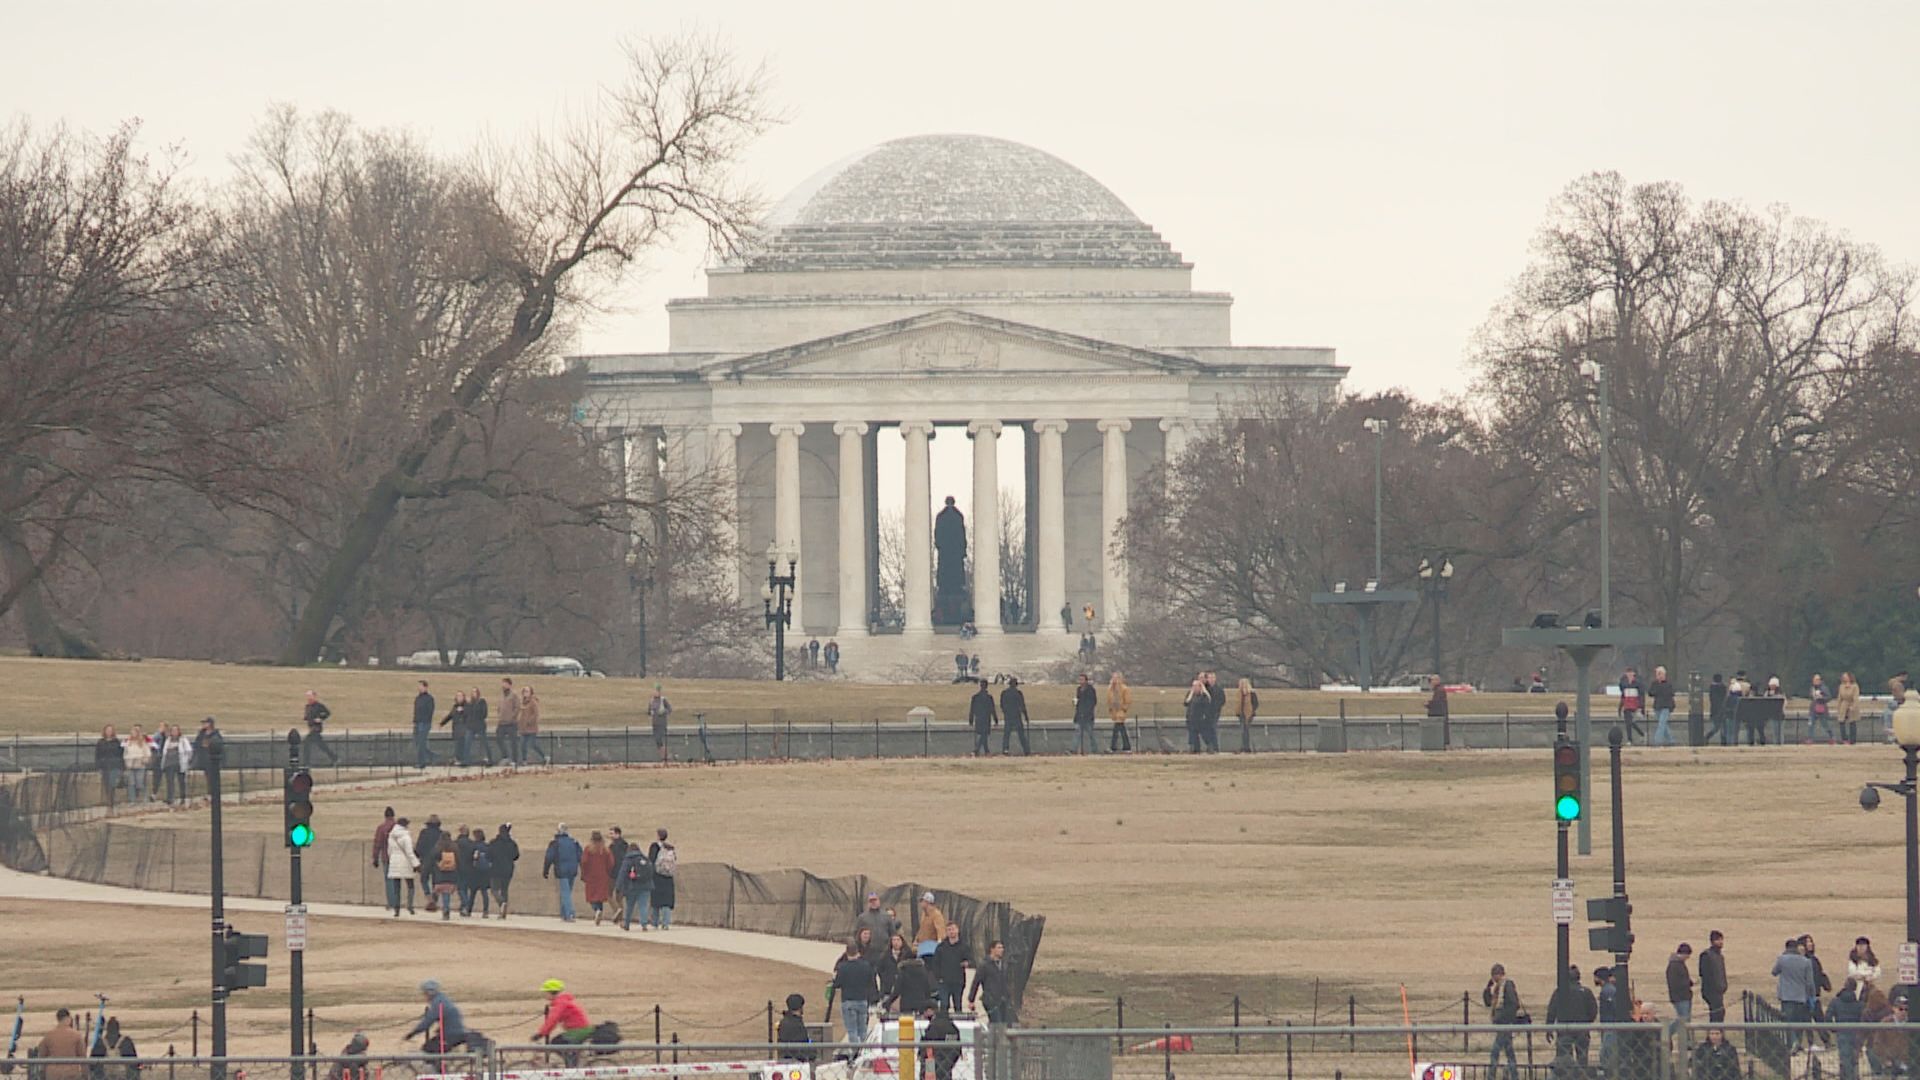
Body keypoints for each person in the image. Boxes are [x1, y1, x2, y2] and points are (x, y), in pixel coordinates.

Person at [1544, 965, 1595, 1065]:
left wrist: (1549, 1028)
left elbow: (1552, 1011)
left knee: (1565, 1060)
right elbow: (1593, 1010)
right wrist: (1587, 1022)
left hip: (1564, 1029)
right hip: (1582, 1029)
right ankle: (1581, 1076)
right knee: (1582, 1058)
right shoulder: (1586, 992)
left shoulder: (1559, 992)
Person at [830, 941, 878, 1043]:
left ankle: (855, 1051)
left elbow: (837, 984)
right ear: (858, 952)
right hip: (862, 1000)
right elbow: (871, 981)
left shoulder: (842, 967)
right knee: (863, 1029)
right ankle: (863, 1050)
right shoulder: (866, 965)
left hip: (848, 1001)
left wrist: (834, 979)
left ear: (847, 953)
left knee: (852, 1030)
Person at [406, 980, 471, 1055]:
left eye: (425, 993)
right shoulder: (443, 999)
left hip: (451, 1035)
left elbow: (427, 1022)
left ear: (429, 992)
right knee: (433, 1047)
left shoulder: (438, 1003)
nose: (424, 996)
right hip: (456, 1032)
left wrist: (412, 1033)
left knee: (428, 1048)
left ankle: (437, 1066)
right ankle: (438, 1064)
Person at [1773, 937, 1816, 1050]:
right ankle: (1798, 1043)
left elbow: (1774, 972)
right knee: (1799, 1022)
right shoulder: (1805, 961)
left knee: (1788, 1021)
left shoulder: (1782, 959)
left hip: (1786, 996)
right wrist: (1812, 996)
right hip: (1801, 997)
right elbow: (1810, 982)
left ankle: (1793, 1042)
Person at [1483, 963, 1521, 1080]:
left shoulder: (1507, 985)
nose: (1493, 978)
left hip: (1505, 1024)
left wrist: (1504, 1017)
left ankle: (1491, 1075)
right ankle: (1514, 1075)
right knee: (1509, 1052)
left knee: (1495, 1051)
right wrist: (1487, 989)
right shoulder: (1497, 988)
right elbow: (1488, 1003)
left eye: (1494, 975)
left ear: (1499, 974)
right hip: (1501, 1024)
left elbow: (1514, 1004)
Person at [969, 939, 1016, 1027]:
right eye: (999, 947)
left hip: (1002, 999)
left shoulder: (1003, 965)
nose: (1001, 950)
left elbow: (1005, 982)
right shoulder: (985, 965)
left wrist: (1008, 995)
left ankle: (991, 1038)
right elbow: (976, 982)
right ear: (992, 949)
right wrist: (971, 999)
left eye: (1002, 948)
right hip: (990, 999)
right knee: (996, 1023)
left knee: (1003, 1023)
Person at [535, 979, 594, 1047]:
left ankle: (572, 1057)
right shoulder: (563, 1001)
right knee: (563, 1044)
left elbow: (552, 1020)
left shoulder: (561, 1003)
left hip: (578, 1031)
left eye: (545, 992)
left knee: (557, 1043)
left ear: (552, 992)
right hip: (581, 1030)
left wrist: (540, 1034)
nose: (544, 995)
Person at [544, 824, 583, 921]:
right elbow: (580, 856)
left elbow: (549, 857)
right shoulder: (574, 842)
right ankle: (564, 913)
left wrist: (546, 870)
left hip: (561, 870)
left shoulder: (555, 843)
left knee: (565, 893)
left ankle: (570, 913)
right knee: (567, 891)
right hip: (573, 869)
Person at [35, 1009, 87, 1080]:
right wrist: (85, 1075)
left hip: (53, 1074)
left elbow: (42, 1055)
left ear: (58, 1019)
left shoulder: (49, 1035)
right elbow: (83, 1057)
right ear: (68, 1018)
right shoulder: (77, 1035)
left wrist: (42, 1074)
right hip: (71, 1073)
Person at [614, 840, 654, 931]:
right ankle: (644, 924)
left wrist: (618, 887)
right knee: (643, 905)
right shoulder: (645, 858)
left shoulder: (628, 859)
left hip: (632, 886)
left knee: (630, 906)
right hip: (646, 886)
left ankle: (627, 924)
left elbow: (622, 873)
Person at [1831, 977, 1865, 1080]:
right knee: (1854, 1060)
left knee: (1844, 1059)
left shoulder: (1836, 1001)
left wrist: (1834, 1028)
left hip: (1842, 1032)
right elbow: (1864, 1019)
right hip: (1855, 1033)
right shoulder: (1860, 1005)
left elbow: (1827, 1017)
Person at [385, 815, 419, 916]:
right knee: (410, 885)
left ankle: (397, 908)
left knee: (396, 887)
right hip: (405, 862)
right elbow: (409, 852)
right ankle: (410, 905)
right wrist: (416, 864)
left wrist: (392, 860)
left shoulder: (391, 836)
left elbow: (389, 851)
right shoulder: (406, 836)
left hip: (394, 861)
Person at [931, 923, 969, 1012]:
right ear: (946, 932)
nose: (951, 932)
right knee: (944, 1005)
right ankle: (943, 1023)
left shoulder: (964, 946)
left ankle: (958, 1023)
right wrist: (938, 977)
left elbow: (970, 959)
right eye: (949, 930)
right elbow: (935, 963)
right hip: (944, 982)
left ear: (957, 930)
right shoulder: (941, 947)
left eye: (953, 929)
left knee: (958, 1005)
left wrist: (967, 963)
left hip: (958, 981)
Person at [581, 830, 614, 925]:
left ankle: (597, 910)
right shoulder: (606, 850)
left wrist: (584, 873)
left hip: (591, 876)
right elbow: (611, 863)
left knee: (591, 896)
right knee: (600, 896)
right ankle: (599, 911)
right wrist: (607, 871)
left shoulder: (588, 849)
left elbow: (584, 862)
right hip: (603, 875)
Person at [647, 828, 676, 929]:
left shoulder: (654, 847)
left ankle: (655, 922)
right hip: (668, 877)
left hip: (657, 876)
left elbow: (650, 860)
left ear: (658, 836)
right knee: (666, 902)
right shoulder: (670, 848)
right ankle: (666, 923)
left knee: (656, 901)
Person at [488, 823, 518, 918]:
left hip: (496, 869)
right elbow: (516, 856)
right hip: (508, 869)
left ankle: (501, 903)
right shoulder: (512, 843)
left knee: (494, 890)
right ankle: (503, 912)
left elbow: (489, 856)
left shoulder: (494, 843)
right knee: (505, 890)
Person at [923, 1005, 961, 1080]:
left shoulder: (933, 1026)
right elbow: (957, 1049)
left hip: (933, 1061)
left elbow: (928, 1049)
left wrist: (929, 1070)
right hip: (949, 1062)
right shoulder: (953, 1028)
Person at [416, 815, 445, 912]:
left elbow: (419, 848)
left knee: (424, 879)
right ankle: (434, 898)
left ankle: (429, 897)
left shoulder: (424, 833)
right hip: (438, 860)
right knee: (436, 882)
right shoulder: (441, 834)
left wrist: (417, 857)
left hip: (426, 860)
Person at [462, 828, 493, 918]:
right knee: (484, 892)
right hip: (485, 871)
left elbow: (470, 858)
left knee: (472, 893)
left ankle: (469, 910)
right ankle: (485, 911)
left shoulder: (473, 846)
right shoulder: (487, 846)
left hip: (475, 871)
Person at [303, 690, 339, 766]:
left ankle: (306, 763)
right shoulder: (307, 706)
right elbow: (307, 716)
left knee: (306, 744)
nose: (308, 698)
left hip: (316, 729)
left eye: (310, 696)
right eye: (307, 696)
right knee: (322, 746)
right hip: (311, 728)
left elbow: (327, 713)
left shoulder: (319, 706)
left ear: (314, 696)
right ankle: (334, 758)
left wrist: (320, 718)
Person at [1699, 930, 1729, 1022]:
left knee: (1720, 1014)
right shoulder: (1706, 955)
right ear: (1712, 941)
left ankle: (1717, 1033)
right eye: (1718, 940)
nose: (1720, 942)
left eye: (1721, 939)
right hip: (1711, 991)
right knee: (1716, 1014)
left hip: (1719, 991)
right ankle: (1714, 1034)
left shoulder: (1719, 956)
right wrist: (1714, 987)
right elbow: (1704, 974)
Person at [774, 994, 812, 1063]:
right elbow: (804, 1044)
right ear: (800, 1008)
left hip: (784, 1059)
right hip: (797, 1062)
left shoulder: (783, 1022)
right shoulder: (797, 1024)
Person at [430, 835, 459, 921]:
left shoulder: (437, 848)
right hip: (451, 874)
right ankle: (446, 910)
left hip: (440, 874)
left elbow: (432, 859)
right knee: (446, 894)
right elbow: (458, 861)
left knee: (438, 890)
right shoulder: (455, 848)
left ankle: (434, 899)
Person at [94, 725, 122, 810]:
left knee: (112, 783)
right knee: (107, 784)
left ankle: (111, 801)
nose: (109, 732)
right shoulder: (100, 742)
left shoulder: (116, 742)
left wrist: (121, 767)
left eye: (110, 730)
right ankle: (108, 800)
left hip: (114, 765)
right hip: (105, 766)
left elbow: (120, 754)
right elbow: (97, 755)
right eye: (107, 730)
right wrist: (98, 766)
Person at [161, 723, 191, 805]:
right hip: (169, 763)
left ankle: (183, 797)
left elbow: (189, 751)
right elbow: (164, 752)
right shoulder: (168, 740)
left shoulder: (183, 740)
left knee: (181, 781)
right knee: (170, 781)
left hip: (179, 763)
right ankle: (170, 798)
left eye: (175, 730)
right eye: (172, 730)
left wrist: (187, 760)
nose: (174, 732)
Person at [999, 678, 1030, 756]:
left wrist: (1005, 712)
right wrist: (1026, 716)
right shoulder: (1018, 693)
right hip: (1016, 716)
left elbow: (1002, 705)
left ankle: (1005, 749)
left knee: (1007, 734)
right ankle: (1026, 750)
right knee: (1021, 734)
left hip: (1008, 716)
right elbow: (1022, 705)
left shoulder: (1004, 693)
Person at [967, 680, 998, 756]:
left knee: (983, 734)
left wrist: (971, 719)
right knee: (984, 734)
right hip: (985, 718)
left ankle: (985, 750)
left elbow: (972, 709)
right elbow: (992, 709)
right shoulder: (988, 698)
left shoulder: (975, 697)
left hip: (979, 718)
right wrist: (995, 719)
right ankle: (978, 750)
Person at [121, 726, 150, 805]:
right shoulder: (128, 743)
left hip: (140, 765)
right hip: (130, 765)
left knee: (140, 783)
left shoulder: (142, 743)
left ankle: (144, 797)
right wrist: (127, 762)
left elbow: (147, 753)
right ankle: (132, 800)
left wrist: (143, 760)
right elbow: (125, 754)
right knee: (131, 783)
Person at [518, 686, 547, 765]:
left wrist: (529, 721)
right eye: (524, 691)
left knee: (533, 744)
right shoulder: (523, 702)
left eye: (527, 691)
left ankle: (544, 757)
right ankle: (524, 760)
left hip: (531, 728)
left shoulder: (533, 702)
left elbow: (535, 714)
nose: (525, 693)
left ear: (531, 693)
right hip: (523, 728)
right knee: (522, 745)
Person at [913, 892, 948, 957]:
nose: (920, 903)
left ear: (927, 902)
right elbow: (921, 929)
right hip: (922, 947)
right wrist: (916, 940)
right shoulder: (924, 914)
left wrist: (939, 945)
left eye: (922, 901)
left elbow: (941, 931)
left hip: (931, 949)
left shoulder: (936, 915)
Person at [440, 691, 470, 766]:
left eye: (461, 696)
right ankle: (458, 759)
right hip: (456, 729)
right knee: (457, 745)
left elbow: (470, 715)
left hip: (464, 730)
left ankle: (464, 760)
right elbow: (450, 716)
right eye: (458, 696)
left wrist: (463, 711)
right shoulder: (455, 707)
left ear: (464, 697)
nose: (459, 698)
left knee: (462, 745)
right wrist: (442, 723)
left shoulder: (467, 706)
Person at [1666, 942, 1695, 1020]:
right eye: (1688, 955)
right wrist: (1688, 983)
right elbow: (1674, 983)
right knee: (1683, 1020)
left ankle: (1669, 1031)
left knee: (1684, 1020)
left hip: (1684, 996)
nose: (1688, 957)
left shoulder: (1679, 964)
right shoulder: (1674, 966)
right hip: (1680, 997)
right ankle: (1666, 1031)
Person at [1071, 674, 1098, 755]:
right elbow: (1078, 701)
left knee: (1090, 733)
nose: (1081, 682)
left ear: (1086, 681)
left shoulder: (1091, 690)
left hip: (1088, 717)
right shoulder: (1079, 689)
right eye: (1080, 680)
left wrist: (1086, 712)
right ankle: (1073, 749)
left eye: (1082, 680)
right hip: (1079, 716)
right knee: (1077, 732)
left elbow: (1092, 703)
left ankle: (1094, 749)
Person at [413, 680, 437, 769]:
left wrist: (426, 722)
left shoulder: (429, 699)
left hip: (424, 723)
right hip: (417, 722)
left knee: (421, 744)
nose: (419, 688)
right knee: (418, 743)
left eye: (421, 686)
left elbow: (430, 712)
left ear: (425, 687)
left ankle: (421, 763)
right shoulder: (417, 698)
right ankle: (432, 756)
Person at [1650, 666, 1677, 746]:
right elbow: (1651, 693)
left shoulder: (1668, 684)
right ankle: (1671, 740)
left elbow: (1671, 694)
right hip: (1657, 707)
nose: (1658, 676)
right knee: (1663, 725)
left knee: (1661, 724)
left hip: (1666, 707)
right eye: (1657, 674)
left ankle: (1657, 741)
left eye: (1660, 674)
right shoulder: (1654, 684)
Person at [878, 933, 908, 1005]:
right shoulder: (885, 956)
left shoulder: (907, 955)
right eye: (894, 940)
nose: (896, 942)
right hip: (887, 990)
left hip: (904, 991)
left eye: (898, 940)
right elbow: (879, 970)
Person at [496, 677, 519, 767]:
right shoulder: (501, 695)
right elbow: (499, 707)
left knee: (513, 742)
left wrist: (512, 717)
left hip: (511, 723)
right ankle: (505, 756)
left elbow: (517, 707)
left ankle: (514, 760)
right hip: (502, 722)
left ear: (509, 685)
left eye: (505, 683)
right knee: (499, 738)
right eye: (502, 683)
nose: (503, 685)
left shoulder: (514, 695)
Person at [1617, 667, 1644, 744]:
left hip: (1634, 705)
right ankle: (1630, 739)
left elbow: (1641, 696)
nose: (1629, 675)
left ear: (1633, 674)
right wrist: (1620, 708)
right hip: (1627, 705)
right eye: (1628, 673)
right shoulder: (1623, 684)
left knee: (1630, 722)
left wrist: (1640, 707)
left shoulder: (1638, 684)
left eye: (1631, 673)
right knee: (1628, 722)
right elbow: (1623, 697)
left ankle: (1640, 734)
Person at [466, 685, 491, 766]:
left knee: (484, 742)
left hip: (480, 725)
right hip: (471, 726)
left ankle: (489, 758)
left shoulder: (482, 702)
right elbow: (467, 714)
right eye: (472, 692)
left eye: (475, 692)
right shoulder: (469, 703)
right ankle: (466, 760)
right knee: (467, 742)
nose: (474, 694)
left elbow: (484, 713)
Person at [1108, 672, 1133, 753]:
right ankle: (1125, 747)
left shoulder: (1124, 689)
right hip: (1115, 712)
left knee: (1117, 729)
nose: (1115, 680)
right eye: (1113, 678)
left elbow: (1128, 701)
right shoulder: (1110, 689)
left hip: (1120, 712)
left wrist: (1124, 709)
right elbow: (1109, 700)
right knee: (1121, 729)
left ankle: (1114, 747)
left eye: (1116, 678)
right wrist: (1111, 709)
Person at [647, 684, 672, 763]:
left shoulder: (663, 700)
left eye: (657, 691)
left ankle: (666, 756)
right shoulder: (651, 701)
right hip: (655, 723)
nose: (656, 693)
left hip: (662, 723)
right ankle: (663, 756)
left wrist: (664, 712)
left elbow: (670, 709)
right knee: (657, 741)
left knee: (660, 739)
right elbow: (648, 711)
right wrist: (651, 713)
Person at [1183, 676, 1208, 753]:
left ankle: (1210, 747)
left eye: (1196, 686)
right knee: (1193, 735)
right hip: (1191, 718)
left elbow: (1207, 703)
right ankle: (1195, 749)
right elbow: (1186, 703)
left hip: (1199, 718)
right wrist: (1191, 694)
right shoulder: (1190, 695)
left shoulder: (1203, 696)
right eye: (1193, 686)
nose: (1194, 688)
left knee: (1204, 734)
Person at [1808, 673, 1835, 744]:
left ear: (1820, 680)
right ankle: (1810, 738)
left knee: (1825, 724)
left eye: (1817, 680)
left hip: (1822, 708)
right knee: (1811, 724)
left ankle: (1831, 737)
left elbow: (1829, 697)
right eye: (1814, 680)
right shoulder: (1812, 688)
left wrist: (1822, 698)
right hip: (1813, 708)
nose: (1815, 681)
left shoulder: (1824, 688)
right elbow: (1811, 697)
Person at [1837, 673, 1862, 745]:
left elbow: (1855, 698)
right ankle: (1844, 739)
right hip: (1843, 705)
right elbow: (1839, 698)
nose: (1844, 678)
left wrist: (1853, 707)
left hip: (1852, 704)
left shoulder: (1855, 686)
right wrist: (1838, 707)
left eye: (1846, 676)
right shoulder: (1841, 686)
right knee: (1841, 722)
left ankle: (1852, 740)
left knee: (1852, 723)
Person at [1237, 678, 1260, 753]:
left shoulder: (1252, 693)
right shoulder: (1240, 694)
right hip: (1241, 714)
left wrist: (1251, 710)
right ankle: (1243, 746)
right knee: (1243, 731)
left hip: (1249, 714)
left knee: (1247, 730)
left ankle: (1248, 747)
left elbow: (1256, 703)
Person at [1706, 673, 1729, 744]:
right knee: (1722, 727)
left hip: (1714, 710)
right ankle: (1723, 740)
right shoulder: (1722, 687)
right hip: (1721, 710)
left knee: (1717, 727)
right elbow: (1724, 698)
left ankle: (1707, 737)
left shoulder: (1712, 688)